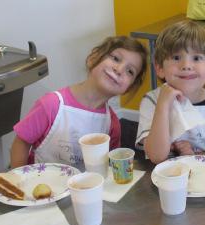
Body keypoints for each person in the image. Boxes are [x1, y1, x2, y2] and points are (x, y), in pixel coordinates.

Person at [11, 36, 147, 168]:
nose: (119, 70)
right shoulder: (51, 104)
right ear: (94, 57)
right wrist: (18, 184)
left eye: (130, 71)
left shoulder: (112, 124)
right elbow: (21, 144)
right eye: (116, 58)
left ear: (129, 87)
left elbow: (110, 166)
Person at [135, 20, 205, 164]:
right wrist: (163, 105)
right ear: (159, 68)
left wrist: (195, 155)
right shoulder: (152, 101)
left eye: (196, 58)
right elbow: (156, 156)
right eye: (176, 58)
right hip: (164, 179)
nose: (186, 65)